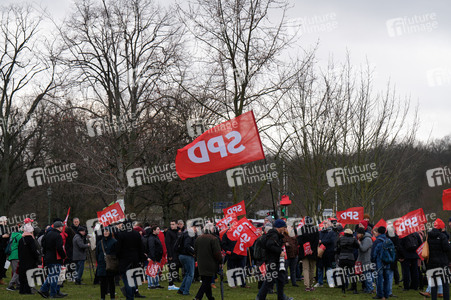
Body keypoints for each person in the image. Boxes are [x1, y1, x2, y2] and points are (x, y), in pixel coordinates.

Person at [257, 219, 293, 300]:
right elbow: (270, 245)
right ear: (279, 227)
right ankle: (260, 297)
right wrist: (279, 251)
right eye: (284, 227)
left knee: (280, 280)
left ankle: (281, 297)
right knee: (269, 280)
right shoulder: (274, 235)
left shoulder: (274, 234)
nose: (285, 229)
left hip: (275, 261)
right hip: (273, 261)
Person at [115, 220, 146, 300]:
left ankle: (130, 297)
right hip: (135, 260)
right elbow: (141, 248)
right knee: (133, 279)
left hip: (125, 260)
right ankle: (132, 294)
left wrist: (118, 257)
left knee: (127, 280)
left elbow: (118, 248)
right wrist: (141, 259)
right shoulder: (136, 234)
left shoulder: (121, 235)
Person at [421, 219, 451, 300]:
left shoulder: (428, 236)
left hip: (431, 263)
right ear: (441, 228)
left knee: (433, 284)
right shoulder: (443, 237)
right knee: (445, 284)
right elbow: (447, 249)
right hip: (442, 263)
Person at [38, 221, 68, 299]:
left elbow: (43, 245)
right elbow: (59, 248)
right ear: (59, 227)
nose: (62, 228)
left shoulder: (47, 234)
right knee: (54, 276)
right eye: (62, 226)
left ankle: (49, 291)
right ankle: (49, 291)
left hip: (48, 257)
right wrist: (64, 256)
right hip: (55, 258)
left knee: (51, 275)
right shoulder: (58, 236)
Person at [193, 223, 222, 300]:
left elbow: (195, 251)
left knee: (206, 281)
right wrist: (221, 261)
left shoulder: (198, 238)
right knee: (206, 282)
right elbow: (217, 253)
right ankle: (197, 297)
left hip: (201, 263)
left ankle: (210, 297)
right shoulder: (213, 239)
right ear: (211, 229)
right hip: (210, 263)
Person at [371, 226, 393, 300]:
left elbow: (374, 252)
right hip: (387, 261)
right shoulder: (388, 240)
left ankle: (380, 294)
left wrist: (373, 260)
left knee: (379, 279)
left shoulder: (377, 241)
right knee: (387, 278)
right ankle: (386, 294)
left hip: (379, 262)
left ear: (378, 232)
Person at [298, 216, 319, 292]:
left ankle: (307, 286)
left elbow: (299, 241)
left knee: (305, 269)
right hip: (313, 252)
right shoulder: (315, 229)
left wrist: (305, 248)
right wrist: (312, 249)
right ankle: (310, 285)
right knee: (312, 269)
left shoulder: (301, 229)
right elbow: (316, 241)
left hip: (304, 252)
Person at [96, 226, 117, 300]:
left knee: (111, 282)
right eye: (104, 231)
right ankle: (102, 297)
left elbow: (116, 253)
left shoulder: (114, 242)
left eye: (107, 231)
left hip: (110, 264)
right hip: (102, 264)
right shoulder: (100, 242)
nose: (105, 232)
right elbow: (97, 253)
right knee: (102, 283)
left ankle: (112, 297)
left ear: (110, 232)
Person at [18, 222, 40, 294]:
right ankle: (27, 290)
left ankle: (22, 290)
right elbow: (33, 251)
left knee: (22, 276)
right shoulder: (31, 239)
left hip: (22, 260)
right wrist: (37, 258)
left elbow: (19, 250)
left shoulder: (21, 239)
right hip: (30, 260)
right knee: (28, 276)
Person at [336, 228, 359, 294]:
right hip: (350, 257)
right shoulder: (353, 239)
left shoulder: (340, 239)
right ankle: (354, 289)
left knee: (342, 274)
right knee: (352, 274)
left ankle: (343, 289)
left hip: (342, 258)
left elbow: (337, 248)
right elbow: (357, 246)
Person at [177, 224, 197, 296]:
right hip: (187, 256)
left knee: (187, 274)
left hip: (182, 255)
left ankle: (181, 289)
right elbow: (187, 245)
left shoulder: (184, 233)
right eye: (195, 227)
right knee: (190, 274)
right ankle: (186, 291)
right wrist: (194, 252)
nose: (196, 229)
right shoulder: (189, 234)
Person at [356, 227, 373, 294]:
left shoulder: (367, 239)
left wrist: (359, 243)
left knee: (367, 275)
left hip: (367, 260)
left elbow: (363, 248)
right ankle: (367, 288)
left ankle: (370, 289)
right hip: (362, 260)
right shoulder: (362, 239)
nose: (357, 235)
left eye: (358, 233)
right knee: (364, 276)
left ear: (361, 234)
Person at [6, 223, 23, 291]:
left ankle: (18, 285)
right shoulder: (19, 235)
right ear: (18, 229)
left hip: (12, 254)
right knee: (17, 271)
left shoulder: (12, 235)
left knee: (15, 270)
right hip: (16, 255)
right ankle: (10, 285)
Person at [147, 225, 164, 289]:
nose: (159, 231)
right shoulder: (151, 238)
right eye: (157, 229)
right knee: (151, 271)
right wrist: (153, 257)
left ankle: (156, 284)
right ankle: (151, 285)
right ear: (153, 231)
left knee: (156, 271)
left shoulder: (156, 237)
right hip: (154, 257)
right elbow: (152, 248)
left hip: (157, 257)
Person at [165, 220, 180, 290]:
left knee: (175, 268)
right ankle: (170, 284)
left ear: (176, 224)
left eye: (173, 224)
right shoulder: (169, 232)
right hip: (172, 253)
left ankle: (174, 281)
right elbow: (168, 244)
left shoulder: (177, 232)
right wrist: (170, 255)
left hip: (177, 253)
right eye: (171, 224)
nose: (172, 226)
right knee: (171, 269)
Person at [0, 216, 9, 285]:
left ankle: (0, 278)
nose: (6, 222)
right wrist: (2, 236)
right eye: (5, 221)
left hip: (3, 249)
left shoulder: (5, 228)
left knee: (2, 263)